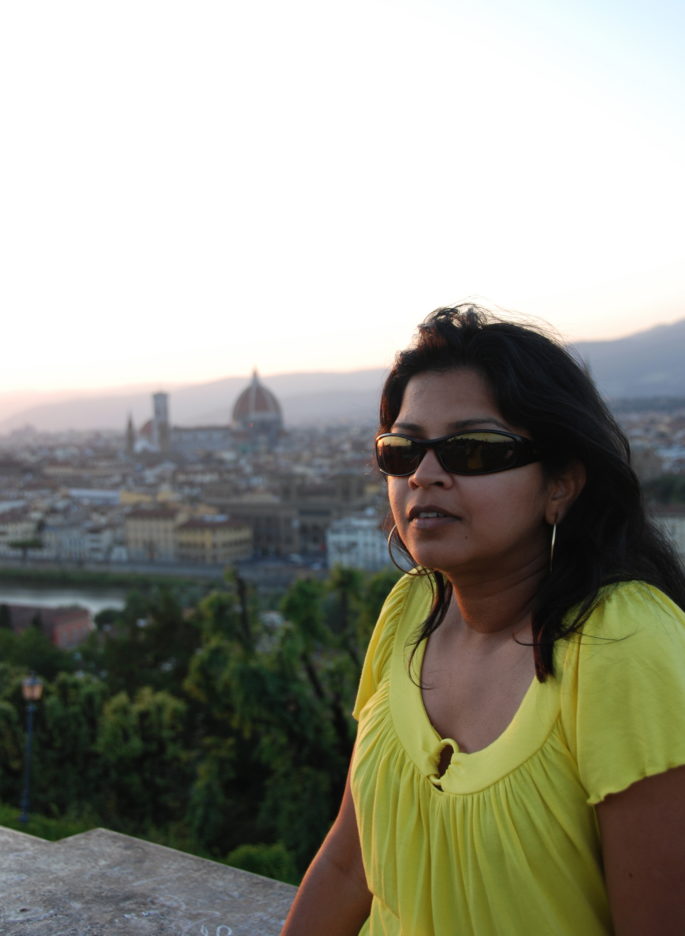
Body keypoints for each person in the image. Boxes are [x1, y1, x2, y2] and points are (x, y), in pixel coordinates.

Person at [281, 305, 685, 936]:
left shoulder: (624, 645)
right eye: (402, 449)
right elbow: (348, 862)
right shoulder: (413, 606)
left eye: (472, 450)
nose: (425, 474)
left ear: (562, 484)